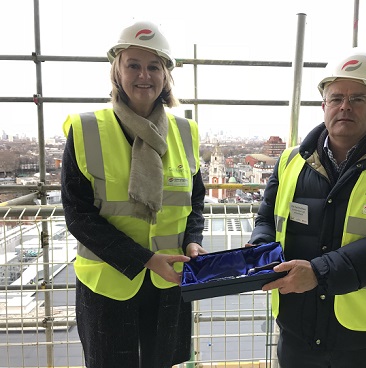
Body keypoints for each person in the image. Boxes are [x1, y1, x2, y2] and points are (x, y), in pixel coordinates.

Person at [247, 48, 366, 368]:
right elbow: (267, 217)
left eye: (358, 98)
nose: (345, 106)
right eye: (336, 98)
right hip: (297, 330)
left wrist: (319, 273)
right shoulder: (290, 162)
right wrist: (261, 247)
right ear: (323, 104)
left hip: (362, 340)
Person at [60, 20, 206, 368]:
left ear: (166, 75)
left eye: (154, 66)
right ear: (117, 72)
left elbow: (194, 200)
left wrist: (193, 240)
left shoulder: (186, 133)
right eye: (134, 65)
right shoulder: (85, 130)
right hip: (107, 285)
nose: (145, 75)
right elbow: (78, 216)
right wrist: (143, 258)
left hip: (168, 283)